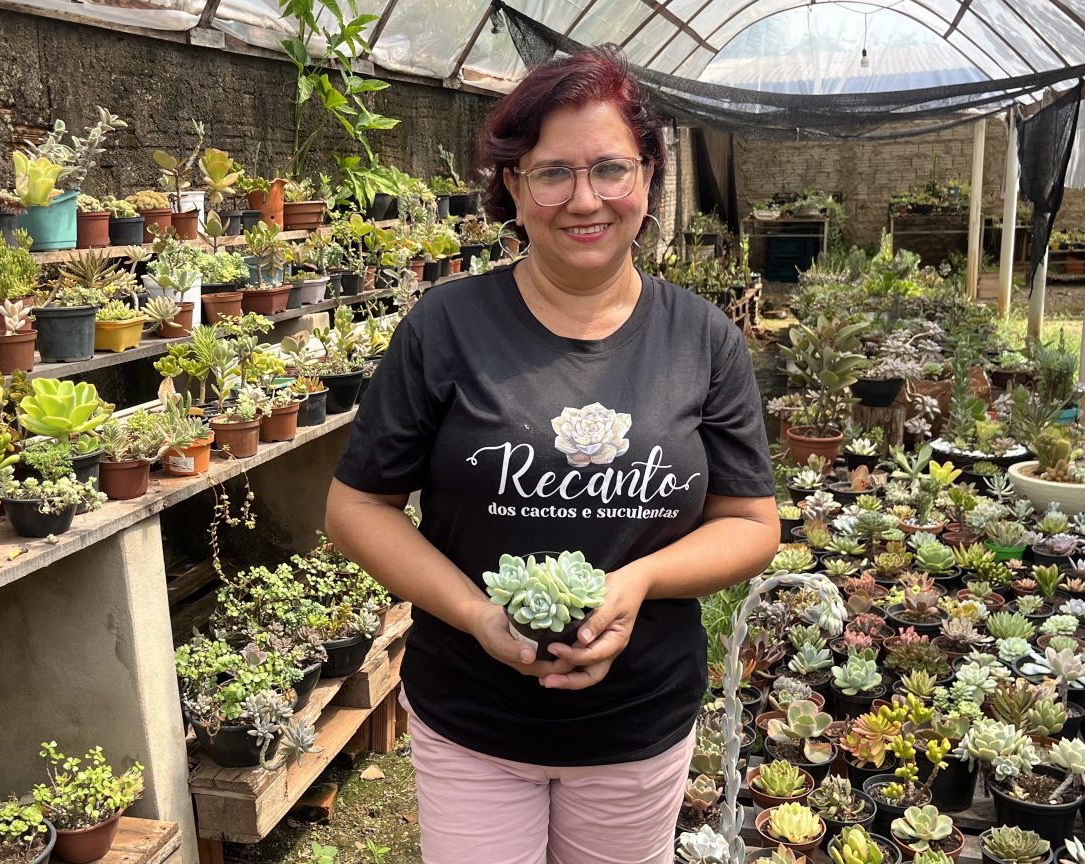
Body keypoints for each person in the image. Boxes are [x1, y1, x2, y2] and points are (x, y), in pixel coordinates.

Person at [325, 46, 780, 864]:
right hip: (474, 719)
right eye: (552, 173)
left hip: (637, 722)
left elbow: (750, 523)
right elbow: (357, 507)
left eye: (610, 168)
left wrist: (638, 581)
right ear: (513, 185)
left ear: (648, 176)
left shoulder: (702, 340)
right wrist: (477, 615)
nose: (584, 199)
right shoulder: (446, 328)